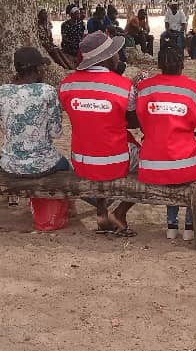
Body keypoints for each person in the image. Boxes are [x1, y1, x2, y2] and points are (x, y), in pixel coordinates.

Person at [60, 31, 140, 236]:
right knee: (152, 158)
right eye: (115, 53)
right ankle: (119, 212)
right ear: (107, 58)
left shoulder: (67, 85)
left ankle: (101, 212)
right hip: (114, 162)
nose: (118, 57)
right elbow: (134, 122)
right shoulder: (123, 86)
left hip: (82, 162)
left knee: (98, 137)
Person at [136, 47, 196, 241]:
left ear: (159, 65)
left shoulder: (145, 88)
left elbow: (138, 119)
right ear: (182, 64)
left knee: (169, 176)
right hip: (183, 163)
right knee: (190, 178)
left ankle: (171, 225)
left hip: (150, 163)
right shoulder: (194, 90)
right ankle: (189, 225)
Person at [0, 47, 70, 176]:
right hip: (43, 164)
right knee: (66, 167)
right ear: (38, 69)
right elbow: (55, 132)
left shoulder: (1, 92)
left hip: (10, 164)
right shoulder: (47, 91)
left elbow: (4, 127)